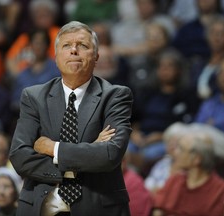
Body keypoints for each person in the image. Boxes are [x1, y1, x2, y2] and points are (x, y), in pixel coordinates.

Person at [9, 21, 133, 216]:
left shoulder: (115, 96)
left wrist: (53, 148)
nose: (74, 50)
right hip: (41, 208)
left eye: (83, 45)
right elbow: (19, 157)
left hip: (97, 208)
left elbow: (110, 154)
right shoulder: (33, 97)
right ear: (56, 57)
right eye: (66, 45)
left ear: (96, 56)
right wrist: (86, 154)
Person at [152, 131, 224, 216]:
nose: (176, 152)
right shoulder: (175, 179)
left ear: (197, 159)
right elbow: (158, 208)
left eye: (181, 149)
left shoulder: (220, 191)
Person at [194, 57, 224, 132]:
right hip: (204, 137)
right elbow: (198, 124)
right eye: (222, 72)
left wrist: (215, 124)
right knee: (176, 129)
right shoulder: (211, 102)